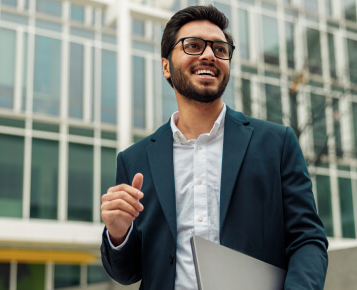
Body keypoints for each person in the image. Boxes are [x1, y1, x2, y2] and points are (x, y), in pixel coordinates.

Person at [100, 5, 328, 290]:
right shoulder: (134, 160)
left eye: (220, 49)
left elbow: (308, 239)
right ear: (166, 66)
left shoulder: (276, 144)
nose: (209, 54)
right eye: (193, 46)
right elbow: (127, 273)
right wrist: (119, 234)